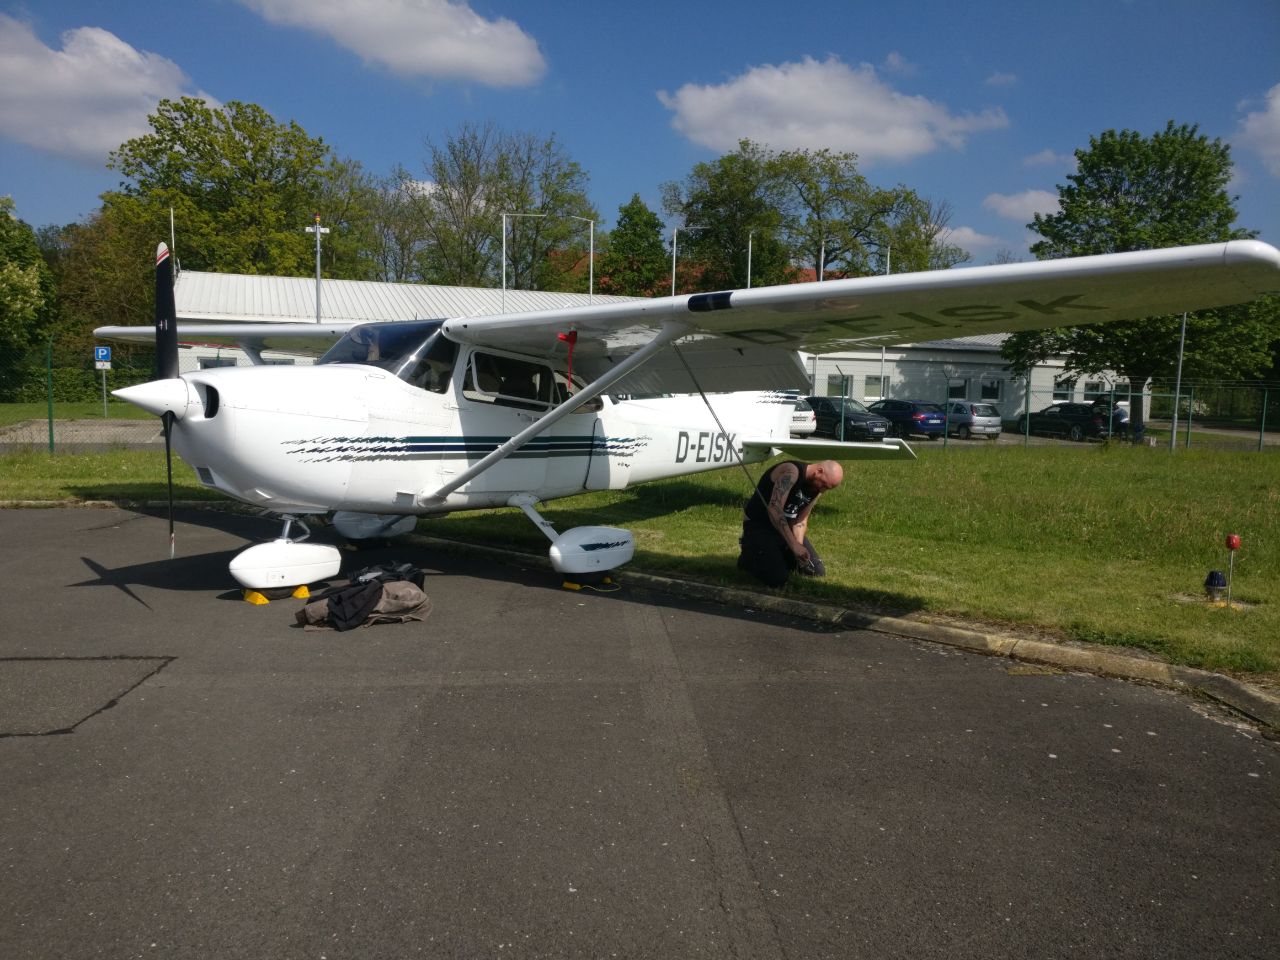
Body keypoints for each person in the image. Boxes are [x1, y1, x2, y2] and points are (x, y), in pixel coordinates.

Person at [737, 459, 844, 587]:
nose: (823, 490)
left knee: (815, 572)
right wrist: (793, 545)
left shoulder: (817, 488)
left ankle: (775, 555)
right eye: (824, 485)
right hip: (761, 526)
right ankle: (749, 554)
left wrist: (799, 547)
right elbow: (774, 510)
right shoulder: (791, 472)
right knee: (777, 579)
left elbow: (800, 520)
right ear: (819, 471)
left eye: (827, 488)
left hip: (784, 531)